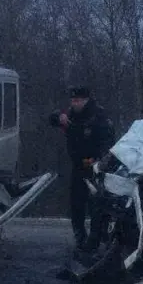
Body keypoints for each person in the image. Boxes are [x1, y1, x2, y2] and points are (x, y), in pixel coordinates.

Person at [48, 86, 116, 248]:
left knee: (97, 204)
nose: (74, 104)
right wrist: (59, 117)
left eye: (77, 101)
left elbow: (107, 142)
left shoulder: (98, 116)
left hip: (95, 166)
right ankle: (80, 237)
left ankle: (97, 238)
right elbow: (52, 119)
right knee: (76, 203)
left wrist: (99, 161)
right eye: (72, 101)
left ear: (86, 100)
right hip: (78, 165)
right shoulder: (71, 114)